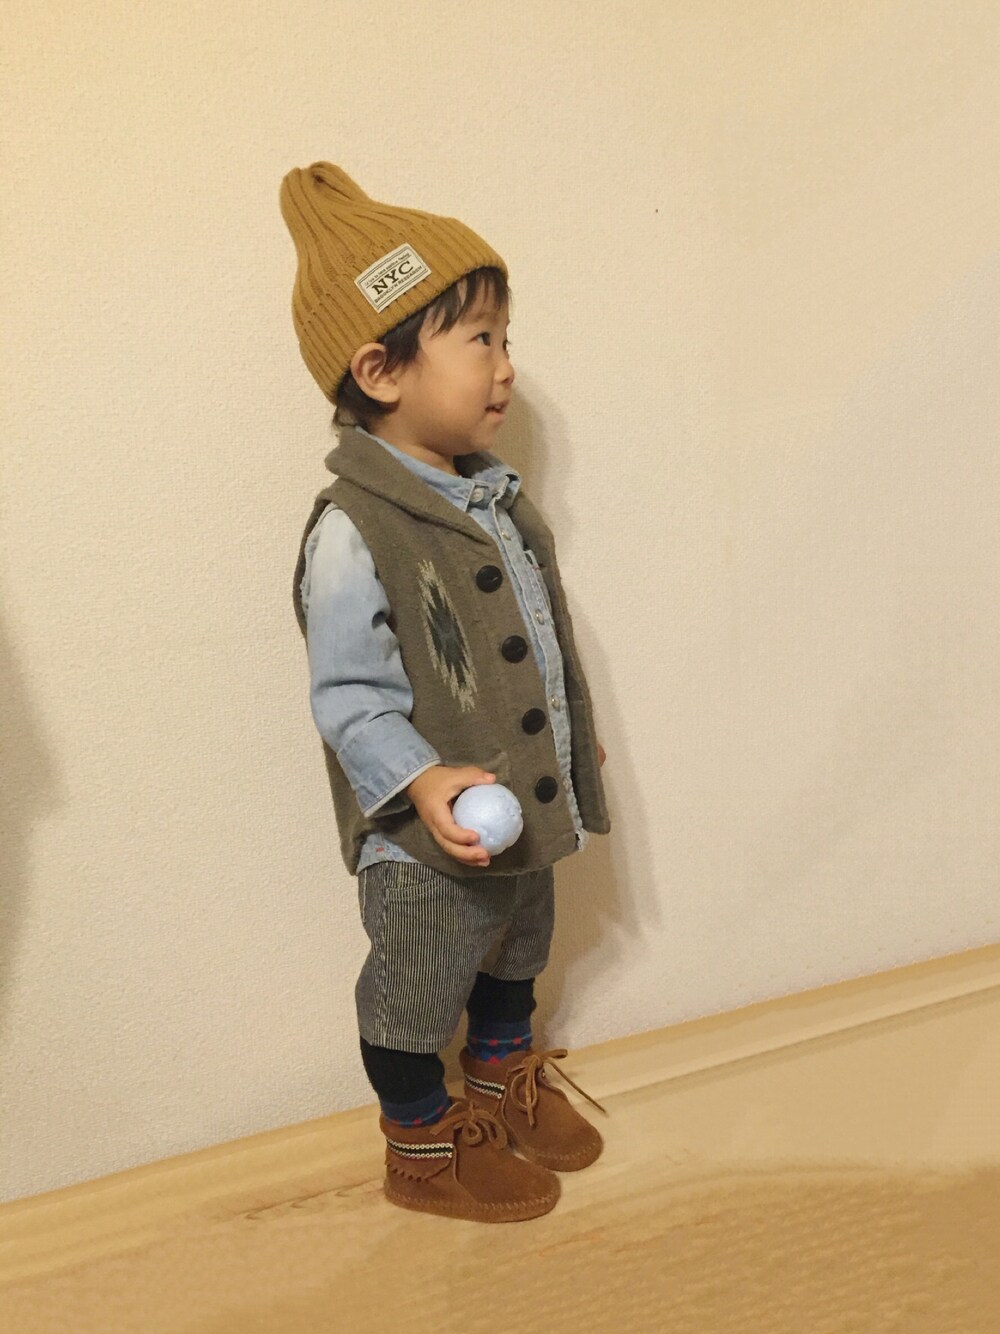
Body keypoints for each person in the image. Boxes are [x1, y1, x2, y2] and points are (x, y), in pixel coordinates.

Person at [279, 162, 612, 1223]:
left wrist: (573, 738)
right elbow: (349, 695)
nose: (507, 369)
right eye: (480, 340)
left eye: (507, 339)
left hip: (521, 805)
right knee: (416, 988)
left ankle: (502, 1080)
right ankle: (420, 1144)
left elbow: (539, 640)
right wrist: (419, 782)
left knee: (518, 948)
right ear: (380, 369)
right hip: (428, 839)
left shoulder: (497, 503)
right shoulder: (353, 530)